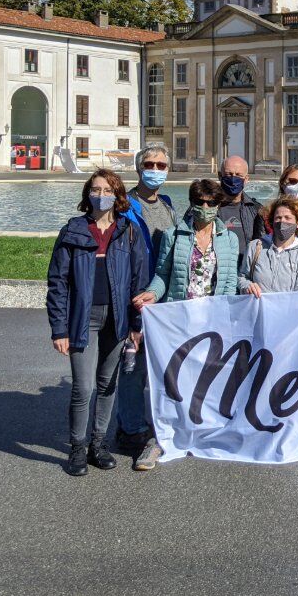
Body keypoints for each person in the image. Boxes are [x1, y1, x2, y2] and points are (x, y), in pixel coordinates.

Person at [46, 169, 151, 477]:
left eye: (107, 190)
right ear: (87, 194)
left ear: (117, 196)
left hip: (117, 319)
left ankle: (98, 444)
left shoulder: (128, 231)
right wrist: (59, 328)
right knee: (83, 388)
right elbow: (58, 283)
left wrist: (135, 324)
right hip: (84, 319)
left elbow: (138, 282)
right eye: (95, 189)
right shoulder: (74, 230)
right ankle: (77, 448)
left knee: (108, 385)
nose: (100, 194)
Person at [131, 179, 240, 470]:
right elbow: (162, 274)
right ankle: (159, 438)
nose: (205, 208)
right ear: (192, 202)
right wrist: (152, 294)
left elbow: (229, 283)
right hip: (179, 318)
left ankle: (203, 433)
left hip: (212, 320)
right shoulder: (174, 236)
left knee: (207, 378)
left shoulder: (229, 239)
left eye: (212, 203)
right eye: (200, 202)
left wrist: (227, 319)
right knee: (171, 380)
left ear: (219, 205)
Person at [116, 142, 176, 462]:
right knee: (132, 366)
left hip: (161, 300)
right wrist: (128, 300)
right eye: (149, 164)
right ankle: (130, 429)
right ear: (139, 168)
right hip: (136, 298)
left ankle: (143, 422)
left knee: (154, 367)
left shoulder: (167, 206)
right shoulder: (125, 206)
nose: (155, 170)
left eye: (161, 165)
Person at [239, 196, 298, 295]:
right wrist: (247, 286)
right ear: (272, 221)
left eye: (288, 217)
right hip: (258, 308)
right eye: (278, 217)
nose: (282, 221)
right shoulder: (255, 246)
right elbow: (242, 277)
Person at [217, 155, 266, 269]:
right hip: (216, 273)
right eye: (229, 174)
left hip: (245, 273)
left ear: (246, 179)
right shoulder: (207, 206)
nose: (233, 179)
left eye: (238, 175)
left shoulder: (256, 210)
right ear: (220, 176)